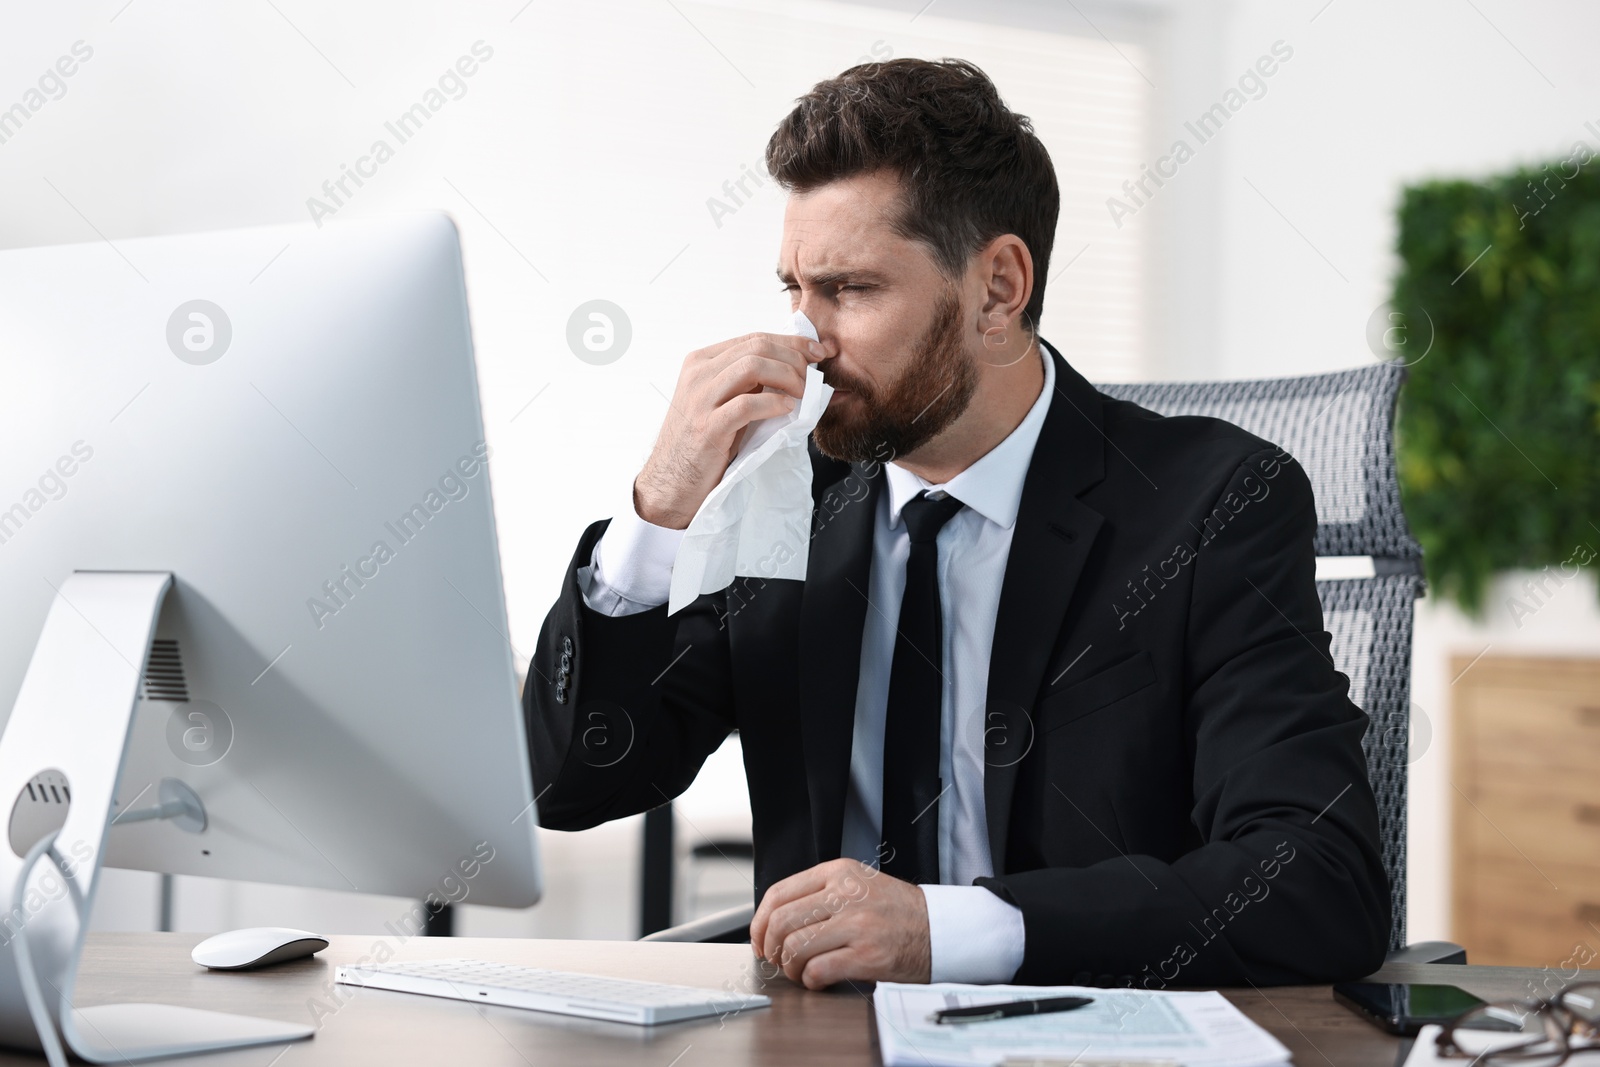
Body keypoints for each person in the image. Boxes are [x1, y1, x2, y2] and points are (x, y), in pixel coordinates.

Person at [525, 57, 1389, 991]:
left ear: (999, 288)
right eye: (794, 290)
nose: (807, 341)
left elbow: (1316, 880)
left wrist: (949, 929)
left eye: (850, 290)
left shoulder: (1212, 502)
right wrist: (658, 507)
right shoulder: (787, 494)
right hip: (820, 1045)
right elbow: (572, 784)